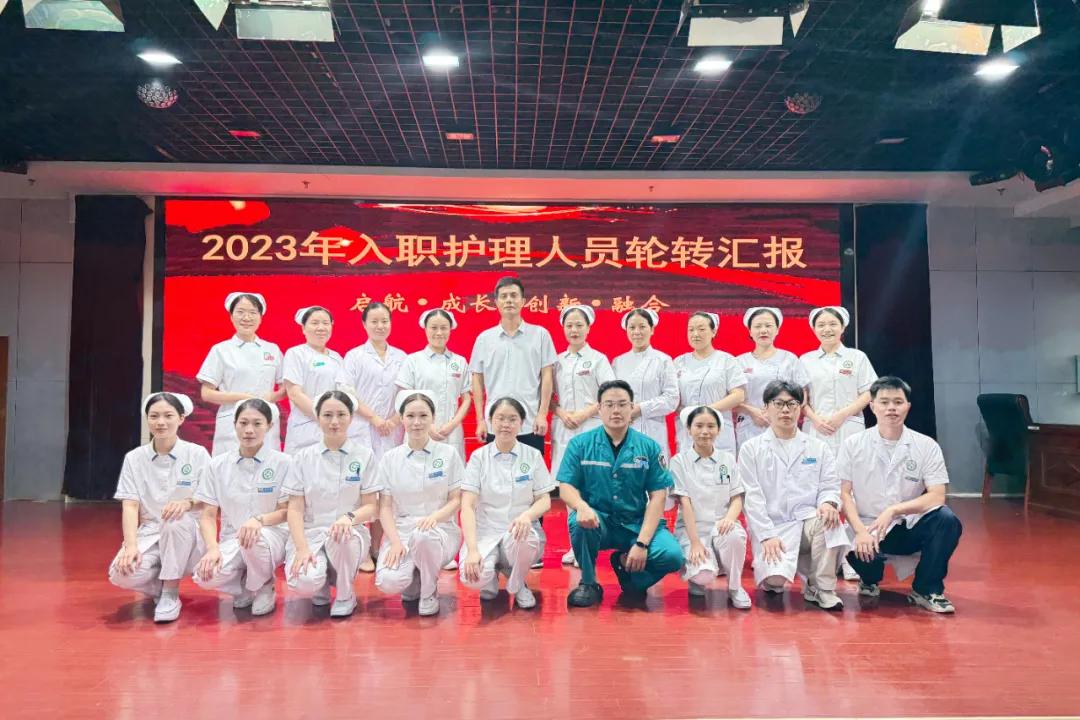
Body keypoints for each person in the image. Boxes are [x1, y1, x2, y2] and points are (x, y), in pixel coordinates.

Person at [839, 376, 963, 613]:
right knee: (864, 558)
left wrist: (894, 510)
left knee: (946, 519)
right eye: (884, 402)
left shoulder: (926, 445)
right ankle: (869, 579)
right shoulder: (853, 444)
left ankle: (927, 589)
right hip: (867, 527)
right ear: (872, 406)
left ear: (908, 406)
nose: (891, 408)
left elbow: (937, 496)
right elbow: (844, 493)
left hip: (906, 526)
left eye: (898, 402)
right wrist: (861, 531)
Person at [559, 380, 684, 607]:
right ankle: (588, 583)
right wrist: (581, 506)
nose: (616, 410)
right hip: (599, 521)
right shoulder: (580, 444)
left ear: (631, 407)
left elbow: (658, 496)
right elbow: (566, 486)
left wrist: (642, 544)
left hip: (636, 522)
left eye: (622, 404)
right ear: (599, 409)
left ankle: (632, 577)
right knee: (578, 521)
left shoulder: (648, 447)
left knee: (672, 555)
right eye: (609, 405)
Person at [739, 380, 846, 610]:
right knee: (775, 581)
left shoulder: (818, 447)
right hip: (773, 526)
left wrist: (828, 503)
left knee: (830, 520)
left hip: (807, 523)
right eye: (778, 404)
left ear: (800, 409)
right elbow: (752, 498)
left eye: (792, 404)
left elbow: (830, 485)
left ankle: (822, 588)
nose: (785, 410)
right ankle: (789, 565)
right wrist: (767, 535)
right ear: (766, 408)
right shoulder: (751, 449)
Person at [108, 392, 211, 623]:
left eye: (168, 416)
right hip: (151, 532)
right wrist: (130, 546)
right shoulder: (135, 458)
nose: (160, 422)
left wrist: (187, 503)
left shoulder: (196, 454)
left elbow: (209, 499)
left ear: (181, 418)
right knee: (120, 573)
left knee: (174, 521)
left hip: (188, 533)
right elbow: (130, 505)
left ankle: (170, 593)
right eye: (154, 416)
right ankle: (160, 587)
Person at [283, 390, 379, 618]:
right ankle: (320, 586)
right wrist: (302, 548)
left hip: (349, 534)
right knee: (304, 581)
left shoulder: (364, 456)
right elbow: (294, 509)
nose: (334, 421)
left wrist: (349, 518)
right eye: (327, 415)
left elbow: (371, 506)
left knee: (342, 535)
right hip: (311, 533)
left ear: (351, 418)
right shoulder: (303, 458)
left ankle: (345, 595)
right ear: (317, 417)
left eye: (341, 415)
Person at [192, 398, 291, 616]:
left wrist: (259, 521)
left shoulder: (284, 463)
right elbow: (208, 515)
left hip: (272, 536)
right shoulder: (217, 465)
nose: (249, 430)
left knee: (254, 538)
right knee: (204, 575)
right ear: (234, 424)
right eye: (243, 423)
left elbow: (288, 512)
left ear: (269, 426)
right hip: (233, 537)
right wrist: (212, 549)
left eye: (257, 423)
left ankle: (265, 584)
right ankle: (244, 586)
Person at [374, 391, 465, 617]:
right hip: (403, 530)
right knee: (388, 581)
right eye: (410, 416)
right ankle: (415, 576)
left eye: (423, 416)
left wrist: (435, 517)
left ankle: (428, 591)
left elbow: (457, 499)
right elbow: (384, 507)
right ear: (402, 419)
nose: (417, 422)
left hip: (440, 529)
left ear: (433, 417)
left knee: (424, 537)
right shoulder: (390, 459)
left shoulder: (448, 454)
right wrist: (395, 542)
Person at [459, 397, 554, 609]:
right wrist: (472, 550)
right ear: (490, 421)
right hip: (486, 530)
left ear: (522, 423)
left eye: (512, 419)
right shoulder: (478, 457)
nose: (506, 424)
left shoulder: (532, 455)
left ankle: (517, 582)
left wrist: (527, 516)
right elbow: (467, 506)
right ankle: (493, 570)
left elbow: (545, 500)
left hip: (518, 530)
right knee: (471, 577)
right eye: (500, 418)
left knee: (525, 539)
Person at [552, 304, 615, 568]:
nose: (574, 329)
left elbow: (609, 393)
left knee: (591, 487)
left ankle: (591, 543)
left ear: (588, 328)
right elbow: (548, 396)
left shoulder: (598, 359)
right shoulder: (557, 361)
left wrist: (584, 413)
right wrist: (561, 412)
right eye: (569, 325)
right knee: (569, 485)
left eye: (579, 324)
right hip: (564, 428)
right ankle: (575, 544)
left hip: (591, 427)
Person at [670, 405, 752, 609]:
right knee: (703, 575)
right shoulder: (679, 461)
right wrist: (695, 542)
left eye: (710, 426)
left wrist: (730, 519)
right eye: (698, 426)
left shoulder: (727, 459)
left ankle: (735, 587)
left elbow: (737, 496)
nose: (705, 431)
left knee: (734, 536)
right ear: (689, 429)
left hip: (720, 524)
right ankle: (697, 577)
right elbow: (685, 503)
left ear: (719, 429)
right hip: (692, 529)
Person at [470, 276, 557, 454]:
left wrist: (542, 414)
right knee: (495, 471)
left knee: (531, 471)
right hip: (495, 424)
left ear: (523, 301)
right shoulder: (484, 339)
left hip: (530, 424)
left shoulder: (540, 335)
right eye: (504, 296)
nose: (509, 300)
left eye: (513, 295)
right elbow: (477, 381)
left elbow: (547, 377)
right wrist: (480, 420)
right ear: (496, 303)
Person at [197, 292, 285, 456]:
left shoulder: (272, 349)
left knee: (268, 466)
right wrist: (242, 397)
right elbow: (206, 393)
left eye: (253, 312)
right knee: (229, 466)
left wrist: (271, 397)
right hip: (233, 420)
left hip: (265, 417)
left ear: (261, 317)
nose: (246, 317)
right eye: (240, 312)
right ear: (231, 316)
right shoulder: (221, 350)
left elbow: (285, 389)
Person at [395, 309, 472, 461]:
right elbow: (403, 398)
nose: (439, 333)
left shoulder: (460, 361)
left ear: (450, 329)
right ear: (425, 329)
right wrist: (428, 426)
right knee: (417, 471)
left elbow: (467, 398)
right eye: (434, 327)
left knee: (451, 471)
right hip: (419, 428)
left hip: (452, 432)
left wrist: (452, 424)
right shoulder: (413, 361)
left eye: (443, 328)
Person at [337, 301, 407, 464]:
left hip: (393, 429)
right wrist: (374, 418)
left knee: (391, 472)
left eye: (384, 321)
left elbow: (407, 394)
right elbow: (347, 393)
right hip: (362, 427)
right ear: (364, 324)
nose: (380, 326)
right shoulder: (354, 356)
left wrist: (394, 421)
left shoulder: (402, 357)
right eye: (374, 321)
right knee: (361, 471)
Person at [801, 306, 877, 451]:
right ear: (814, 329)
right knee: (814, 464)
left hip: (849, 425)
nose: (827, 329)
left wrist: (842, 415)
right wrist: (815, 420)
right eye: (821, 325)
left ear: (842, 327)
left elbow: (869, 392)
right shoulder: (805, 360)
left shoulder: (857, 357)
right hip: (815, 427)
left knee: (851, 463)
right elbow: (800, 398)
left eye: (833, 324)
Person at [734, 307, 810, 450]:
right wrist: (752, 411)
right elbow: (731, 398)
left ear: (777, 330)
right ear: (750, 331)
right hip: (749, 424)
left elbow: (803, 394)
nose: (763, 330)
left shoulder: (790, 359)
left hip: (784, 424)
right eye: (758, 326)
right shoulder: (739, 362)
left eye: (768, 326)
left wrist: (781, 413)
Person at [673, 311, 747, 455]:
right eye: (691, 329)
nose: (695, 334)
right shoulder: (678, 362)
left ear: (713, 332)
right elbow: (672, 396)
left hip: (718, 429)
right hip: (688, 430)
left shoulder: (726, 360)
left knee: (719, 466)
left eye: (701, 329)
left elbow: (738, 395)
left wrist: (705, 412)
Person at [611, 308, 679, 461]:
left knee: (654, 472)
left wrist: (640, 409)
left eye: (642, 327)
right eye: (632, 327)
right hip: (623, 431)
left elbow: (672, 399)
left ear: (652, 329)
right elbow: (611, 396)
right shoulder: (618, 362)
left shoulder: (663, 360)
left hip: (653, 431)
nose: (637, 332)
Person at [283, 306, 344, 454]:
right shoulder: (296, 354)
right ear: (303, 328)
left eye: (326, 323)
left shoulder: (337, 357)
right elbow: (295, 393)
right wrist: (324, 417)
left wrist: (334, 419)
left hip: (333, 427)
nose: (321, 328)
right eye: (315, 323)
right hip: (306, 427)